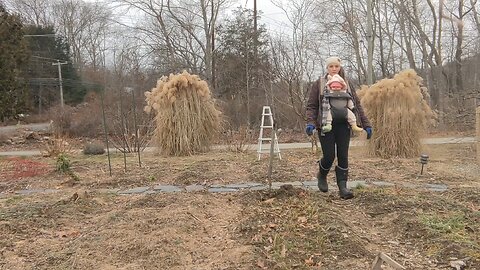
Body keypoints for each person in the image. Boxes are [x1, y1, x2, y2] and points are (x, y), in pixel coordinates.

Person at [305, 56, 372, 199]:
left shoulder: (347, 84)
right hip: (326, 125)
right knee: (329, 155)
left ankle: (343, 187)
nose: (334, 69)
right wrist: (311, 123)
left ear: (340, 67)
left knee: (343, 155)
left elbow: (356, 105)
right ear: (327, 68)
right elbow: (312, 106)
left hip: (344, 125)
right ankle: (322, 175)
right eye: (331, 66)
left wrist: (366, 124)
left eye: (336, 66)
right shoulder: (320, 84)